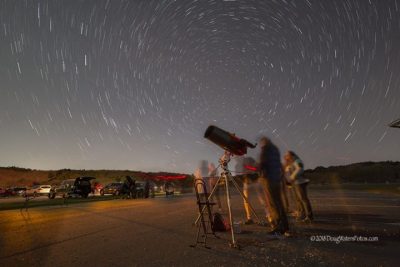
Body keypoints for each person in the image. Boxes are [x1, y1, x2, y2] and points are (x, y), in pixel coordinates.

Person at [258, 137, 290, 235]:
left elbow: (262, 164)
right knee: (279, 203)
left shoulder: (265, 149)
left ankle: (278, 227)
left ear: (264, 142)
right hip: (276, 179)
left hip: (269, 179)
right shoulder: (275, 149)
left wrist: (257, 170)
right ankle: (285, 226)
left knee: (273, 204)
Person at [236, 156, 270, 225]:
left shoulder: (249, 159)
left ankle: (269, 216)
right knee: (246, 201)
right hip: (246, 183)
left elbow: (256, 168)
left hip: (256, 181)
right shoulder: (237, 165)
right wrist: (243, 179)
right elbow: (237, 175)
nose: (237, 158)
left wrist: (248, 168)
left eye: (238, 157)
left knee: (262, 199)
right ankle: (249, 218)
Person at [284, 151, 313, 222]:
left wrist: (291, 178)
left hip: (300, 182)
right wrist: (289, 182)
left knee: (303, 199)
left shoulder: (297, 161)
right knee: (298, 200)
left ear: (291, 155)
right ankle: (302, 214)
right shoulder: (290, 163)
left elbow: (300, 169)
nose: (286, 157)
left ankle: (309, 216)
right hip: (294, 183)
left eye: (287, 155)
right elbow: (287, 173)